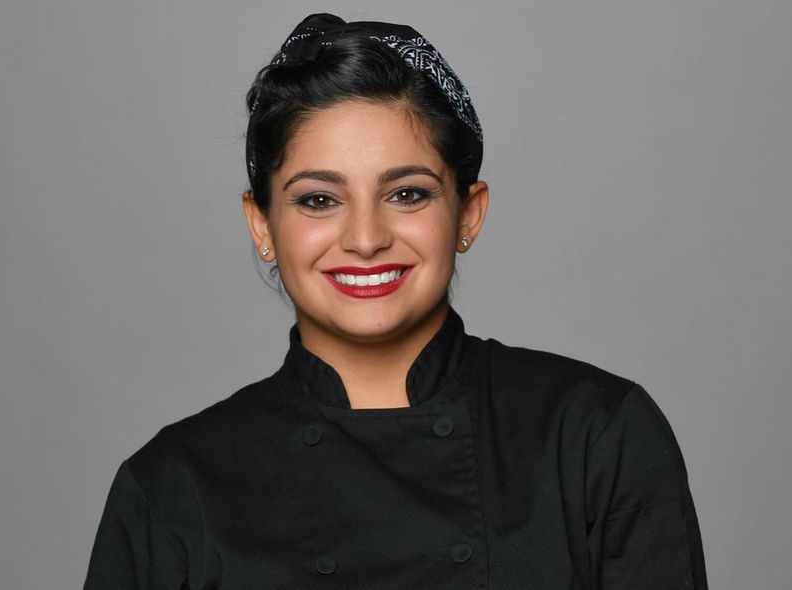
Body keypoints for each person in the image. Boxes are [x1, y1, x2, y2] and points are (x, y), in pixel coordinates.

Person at [82, 13, 708, 590]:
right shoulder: (171, 488)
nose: (366, 239)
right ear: (262, 224)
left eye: (407, 194)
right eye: (318, 200)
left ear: (468, 212)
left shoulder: (596, 437)